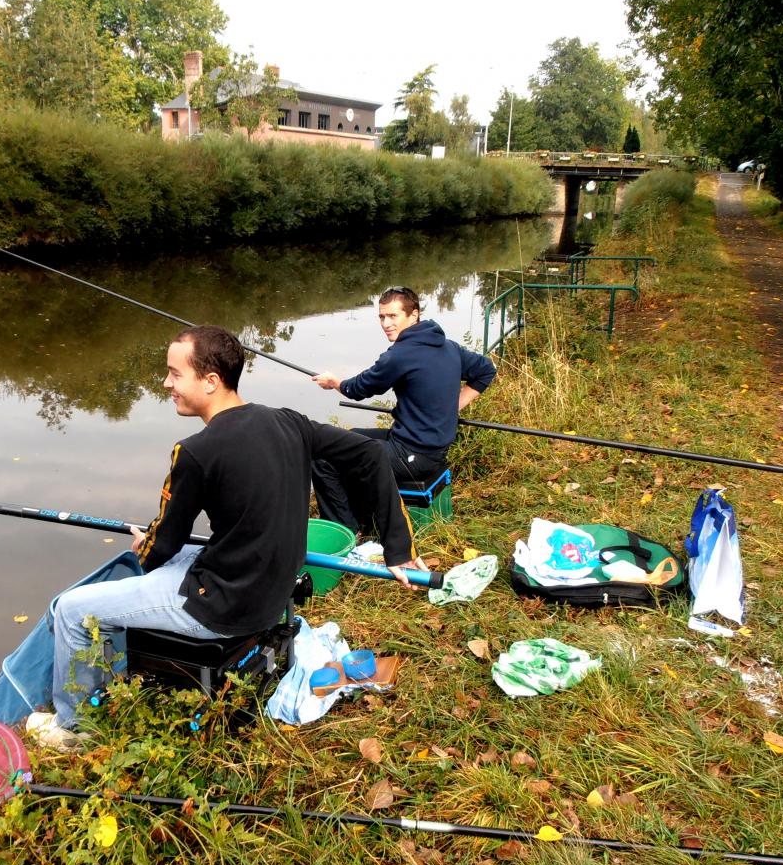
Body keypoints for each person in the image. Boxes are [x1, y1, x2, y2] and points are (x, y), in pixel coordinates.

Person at [25, 324, 426, 749]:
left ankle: (74, 729)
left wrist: (145, 546)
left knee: (70, 608)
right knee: (187, 558)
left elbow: (164, 546)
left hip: (224, 608)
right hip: (272, 596)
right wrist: (398, 549)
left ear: (211, 381)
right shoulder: (289, 422)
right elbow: (368, 454)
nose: (167, 384)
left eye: (175, 374)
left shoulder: (195, 451)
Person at [310, 285, 496, 533]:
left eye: (393, 316)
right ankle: (362, 516)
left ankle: (344, 533)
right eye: (381, 316)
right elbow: (485, 369)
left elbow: (358, 389)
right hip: (425, 447)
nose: (386, 323)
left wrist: (334, 383)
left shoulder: (399, 355)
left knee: (324, 458)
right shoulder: (447, 346)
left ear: (414, 314)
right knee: (350, 435)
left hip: (412, 455)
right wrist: (453, 407)